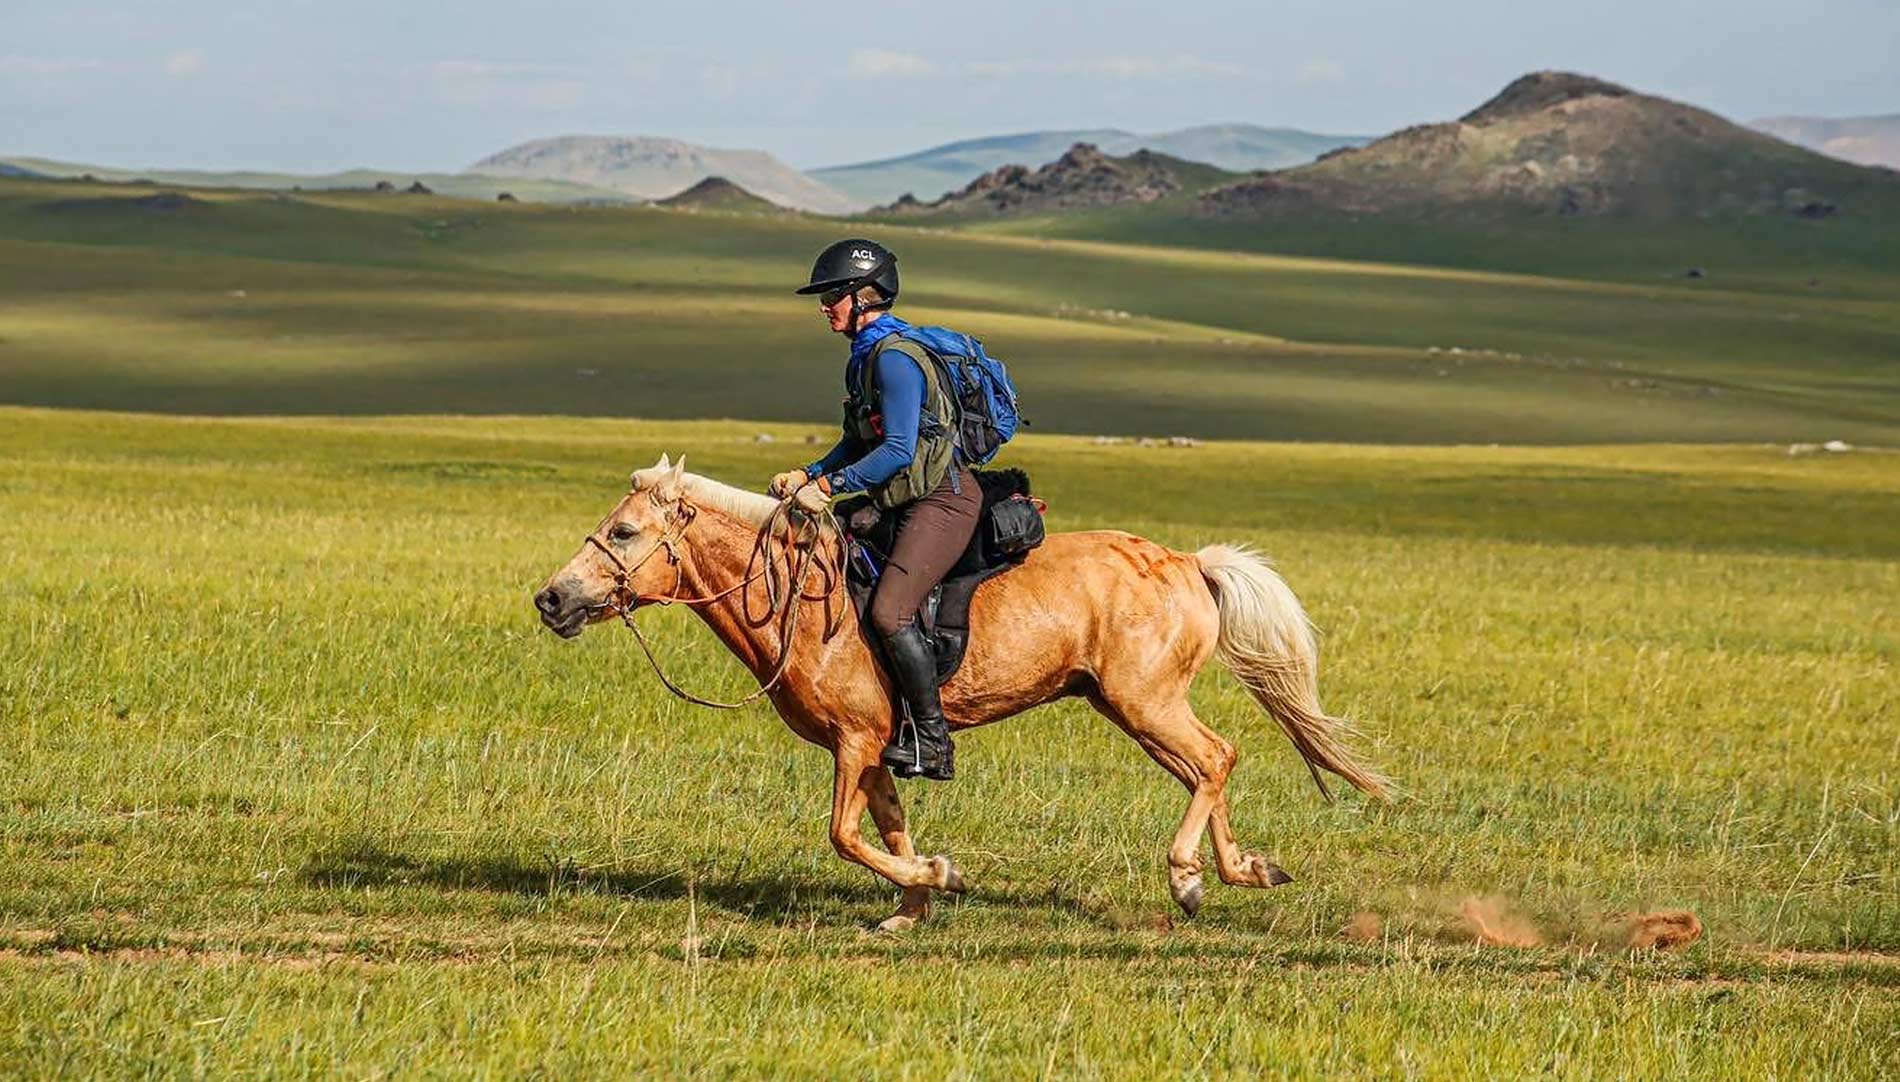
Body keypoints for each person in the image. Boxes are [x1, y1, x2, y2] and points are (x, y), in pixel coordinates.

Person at [770, 239, 977, 781]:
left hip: (941, 500)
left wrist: (832, 486)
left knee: (890, 611)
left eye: (833, 295)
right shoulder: (862, 360)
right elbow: (855, 442)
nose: (824, 306)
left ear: (865, 296)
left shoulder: (895, 360)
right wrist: (811, 473)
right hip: (901, 495)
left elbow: (898, 450)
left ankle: (932, 741)